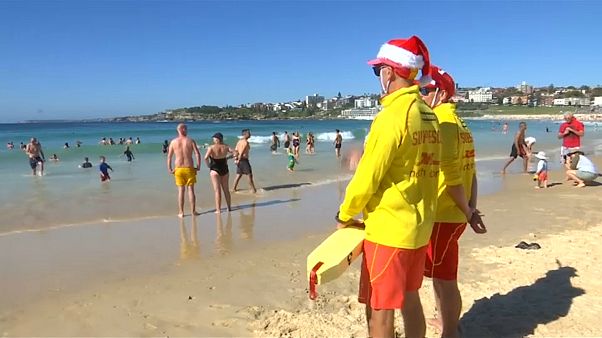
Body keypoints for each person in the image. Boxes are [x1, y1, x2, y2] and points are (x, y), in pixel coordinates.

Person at [336, 36, 440, 338]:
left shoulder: (391, 117)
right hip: (419, 228)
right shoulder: (428, 115)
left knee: (379, 312)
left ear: (390, 72)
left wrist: (345, 214)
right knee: (410, 301)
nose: (378, 76)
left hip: (389, 229)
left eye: (377, 70)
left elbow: (367, 177)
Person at [421, 65, 487, 338]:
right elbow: (471, 171)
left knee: (446, 280)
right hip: (455, 211)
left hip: (445, 214)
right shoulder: (460, 123)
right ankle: (444, 320)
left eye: (424, 90)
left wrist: (468, 211)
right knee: (440, 276)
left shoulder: (444, 124)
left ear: (439, 93)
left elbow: (452, 177)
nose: (419, 95)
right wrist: (471, 208)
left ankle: (450, 331)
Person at [167, 123, 202, 218]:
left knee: (181, 191)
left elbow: (169, 156)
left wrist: (169, 168)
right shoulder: (190, 141)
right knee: (190, 190)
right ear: (182, 129)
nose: (187, 130)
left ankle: (181, 212)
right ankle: (193, 211)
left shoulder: (173, 142)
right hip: (189, 168)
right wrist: (198, 166)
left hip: (178, 169)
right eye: (186, 129)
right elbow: (197, 154)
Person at [204, 132, 233, 213]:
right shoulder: (226, 147)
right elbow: (235, 153)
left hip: (214, 169)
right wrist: (228, 158)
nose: (213, 140)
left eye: (214, 138)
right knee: (226, 189)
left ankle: (218, 210)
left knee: (217, 190)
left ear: (217, 139)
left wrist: (208, 165)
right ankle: (229, 207)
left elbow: (205, 157)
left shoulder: (211, 147)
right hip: (224, 169)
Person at [232, 129, 257, 193]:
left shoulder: (239, 141)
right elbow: (241, 153)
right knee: (249, 175)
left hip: (239, 160)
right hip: (243, 160)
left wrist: (235, 159)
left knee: (239, 175)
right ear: (245, 134)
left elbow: (236, 151)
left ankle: (233, 188)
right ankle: (253, 190)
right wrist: (239, 159)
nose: (250, 134)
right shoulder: (245, 142)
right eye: (249, 133)